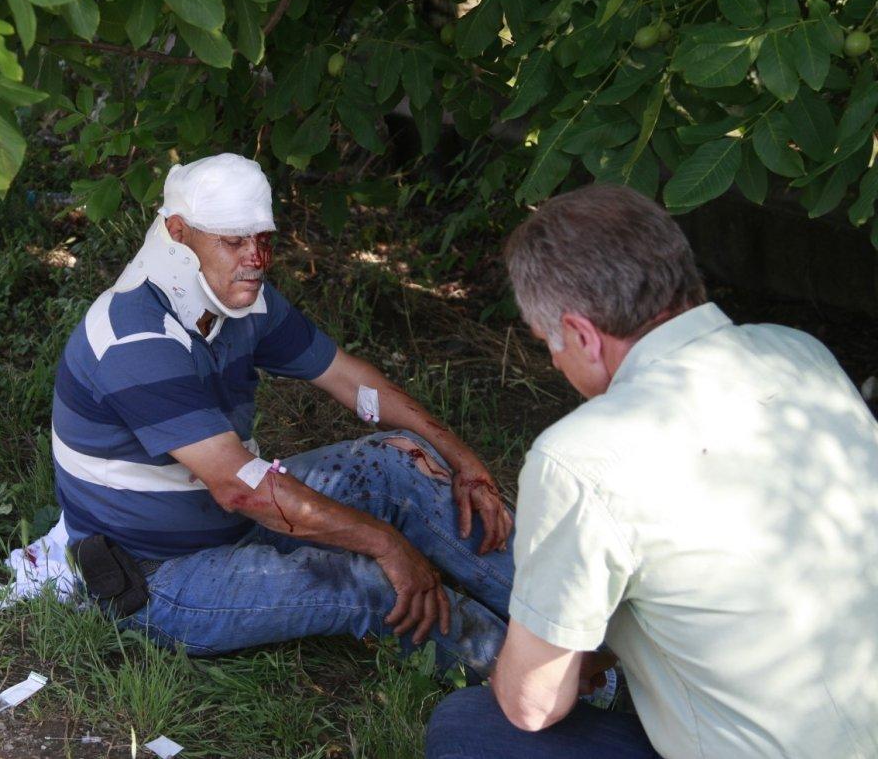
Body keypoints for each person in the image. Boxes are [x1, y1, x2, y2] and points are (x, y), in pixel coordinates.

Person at [426, 185, 878, 758]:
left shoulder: (579, 458)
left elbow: (532, 706)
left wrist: (533, 665)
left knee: (468, 727)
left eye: (549, 343)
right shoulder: (799, 352)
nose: (555, 361)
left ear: (583, 335)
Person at [51, 153, 516, 676]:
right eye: (234, 241)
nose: (256, 258)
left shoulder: (243, 301)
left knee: (404, 460)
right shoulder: (134, 337)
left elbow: (350, 379)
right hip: (158, 576)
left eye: (262, 239)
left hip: (234, 516)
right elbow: (240, 488)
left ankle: (566, 620)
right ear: (178, 234)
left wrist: (463, 460)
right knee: (371, 581)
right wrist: (388, 546)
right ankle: (552, 682)